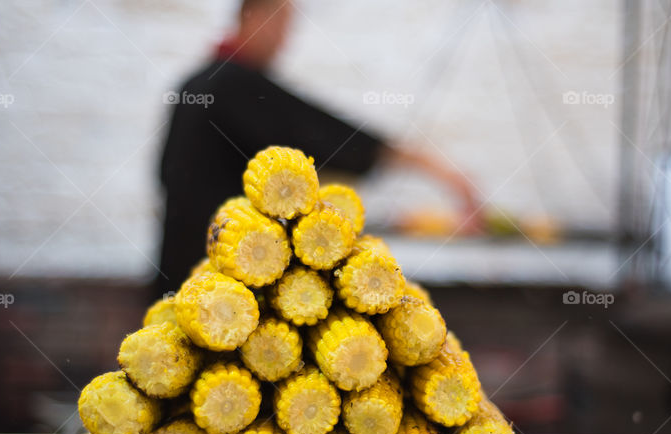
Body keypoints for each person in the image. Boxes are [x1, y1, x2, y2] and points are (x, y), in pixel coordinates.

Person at [156, 0, 479, 293]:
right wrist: (441, 172)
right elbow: (326, 135)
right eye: (281, 23)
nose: (285, 39)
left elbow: (163, 172)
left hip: (181, 268)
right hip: (207, 279)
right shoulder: (232, 84)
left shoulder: (195, 83)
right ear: (252, 15)